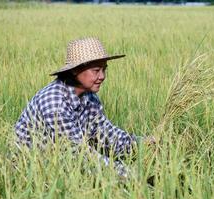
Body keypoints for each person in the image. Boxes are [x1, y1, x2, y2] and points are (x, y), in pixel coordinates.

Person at [15, 37, 154, 178]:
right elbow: (80, 156)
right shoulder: (54, 103)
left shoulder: (90, 98)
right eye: (96, 70)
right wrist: (134, 175)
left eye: (104, 70)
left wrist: (144, 144)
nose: (102, 76)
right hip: (28, 172)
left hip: (59, 166)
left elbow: (107, 135)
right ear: (75, 70)